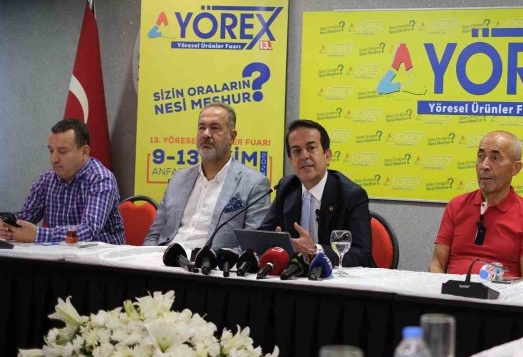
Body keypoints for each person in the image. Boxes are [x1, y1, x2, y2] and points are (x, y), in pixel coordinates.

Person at [143, 103, 271, 249]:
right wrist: (148, 257)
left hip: (209, 261)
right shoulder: (178, 179)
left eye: (215, 128)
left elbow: (252, 247)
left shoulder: (254, 184)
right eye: (201, 127)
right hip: (164, 257)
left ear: (232, 137)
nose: (206, 134)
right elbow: (154, 235)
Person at [429, 131, 523, 278]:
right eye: (480, 156)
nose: (484, 165)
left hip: (501, 291)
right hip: (454, 290)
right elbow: (436, 264)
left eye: (495, 158)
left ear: (515, 168)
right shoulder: (456, 206)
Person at [259, 119, 373, 267]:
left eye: (311, 148)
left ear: (327, 156)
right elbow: (262, 236)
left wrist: (315, 250)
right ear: (291, 160)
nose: (304, 156)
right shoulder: (286, 188)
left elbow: (362, 254)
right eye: (296, 151)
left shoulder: (351, 195)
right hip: (296, 275)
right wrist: (275, 242)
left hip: (337, 278)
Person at [0, 118, 124, 244]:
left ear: (84, 152)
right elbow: (23, 220)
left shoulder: (101, 179)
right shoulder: (46, 181)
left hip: (101, 254)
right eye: (51, 151)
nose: (54, 159)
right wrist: (8, 228)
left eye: (62, 152)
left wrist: (38, 234)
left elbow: (88, 231)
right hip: (59, 254)